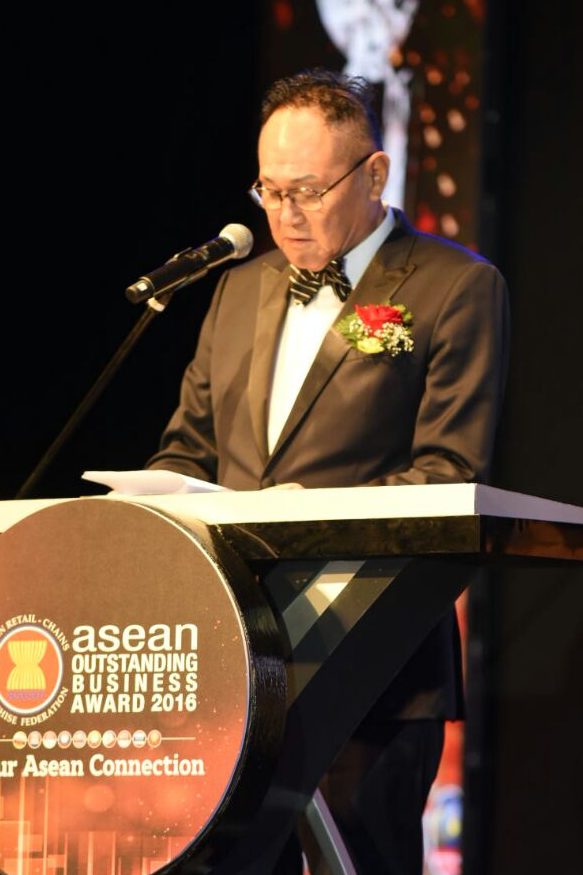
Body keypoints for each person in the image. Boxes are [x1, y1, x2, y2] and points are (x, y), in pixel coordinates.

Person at [146, 68, 510, 874]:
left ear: (375, 174)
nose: (284, 214)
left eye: (307, 190)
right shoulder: (236, 290)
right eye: (269, 191)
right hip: (238, 651)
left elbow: (448, 473)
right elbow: (187, 451)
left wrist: (306, 509)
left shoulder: (456, 287)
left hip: (373, 656)